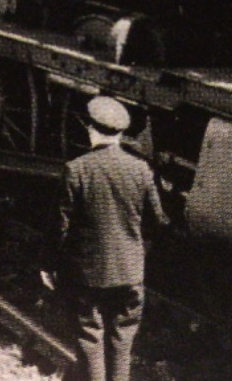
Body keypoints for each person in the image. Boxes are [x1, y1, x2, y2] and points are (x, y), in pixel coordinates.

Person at [46, 96, 168, 381]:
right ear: (122, 134)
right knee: (122, 341)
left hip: (86, 276)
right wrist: (137, 252)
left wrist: (49, 265)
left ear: (90, 129)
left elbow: (59, 227)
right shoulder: (141, 170)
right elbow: (158, 222)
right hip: (129, 273)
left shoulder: (76, 169)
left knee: (90, 338)